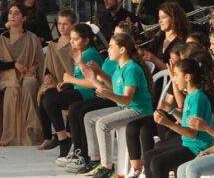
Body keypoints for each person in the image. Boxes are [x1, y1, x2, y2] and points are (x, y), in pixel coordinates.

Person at [81, 32, 154, 178]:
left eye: (111, 46)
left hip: (139, 110)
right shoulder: (119, 67)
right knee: (89, 117)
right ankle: (95, 159)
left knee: (103, 124)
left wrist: (107, 94)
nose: (108, 49)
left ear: (122, 50)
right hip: (124, 107)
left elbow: (127, 99)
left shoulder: (131, 68)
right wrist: (98, 73)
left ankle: (107, 167)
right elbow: (116, 88)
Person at [61, 27, 123, 173]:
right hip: (110, 96)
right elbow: (101, 83)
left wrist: (98, 75)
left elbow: (119, 93)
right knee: (80, 110)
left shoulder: (127, 66)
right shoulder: (111, 59)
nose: (109, 45)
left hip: (120, 102)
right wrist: (82, 65)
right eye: (113, 35)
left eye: (116, 39)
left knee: (82, 111)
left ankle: (94, 159)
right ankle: (89, 157)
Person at [142, 58, 214, 178]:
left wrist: (167, 123)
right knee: (148, 156)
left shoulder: (197, 98)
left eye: (176, 75)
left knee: (157, 163)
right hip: (188, 143)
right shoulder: (190, 95)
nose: (174, 79)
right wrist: (171, 110)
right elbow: (186, 123)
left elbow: (192, 133)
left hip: (198, 147)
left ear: (187, 77)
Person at [42, 22, 96, 159]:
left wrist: (70, 80)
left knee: (51, 99)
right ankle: (63, 138)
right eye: (71, 39)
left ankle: (64, 139)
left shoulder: (89, 54)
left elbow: (93, 83)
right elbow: (80, 77)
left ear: (86, 41)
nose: (72, 42)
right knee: (48, 94)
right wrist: (68, 83)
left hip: (88, 94)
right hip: (79, 90)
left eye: (75, 39)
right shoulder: (81, 53)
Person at [0, 3, 43, 146]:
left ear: (24, 18)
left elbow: (40, 60)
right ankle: (10, 135)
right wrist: (14, 64)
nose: (12, 16)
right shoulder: (1, 39)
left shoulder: (32, 38)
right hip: (8, 76)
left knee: (29, 84)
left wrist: (33, 68)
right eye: (10, 13)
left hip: (29, 75)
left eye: (16, 13)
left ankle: (33, 130)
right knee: (12, 90)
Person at [37, 9, 76, 151]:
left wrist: (68, 81)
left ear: (73, 25)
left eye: (65, 24)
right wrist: (48, 75)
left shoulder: (75, 43)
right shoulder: (53, 44)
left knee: (67, 98)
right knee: (43, 94)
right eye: (59, 24)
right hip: (56, 80)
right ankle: (49, 136)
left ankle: (68, 134)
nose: (61, 27)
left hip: (72, 82)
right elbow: (48, 65)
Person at [141, 1, 190, 74]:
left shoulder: (181, 43)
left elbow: (177, 73)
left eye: (163, 17)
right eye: (159, 17)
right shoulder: (158, 39)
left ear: (174, 18)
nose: (160, 21)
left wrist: (153, 59)